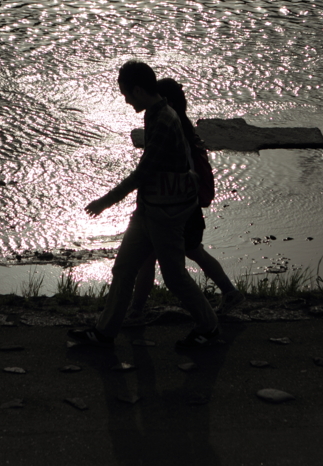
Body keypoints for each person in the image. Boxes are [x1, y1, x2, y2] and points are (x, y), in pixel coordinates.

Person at [69, 61, 220, 348]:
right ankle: (104, 333)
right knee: (124, 270)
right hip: (150, 210)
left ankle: (209, 326)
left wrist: (105, 201)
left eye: (126, 93)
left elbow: (143, 172)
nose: (125, 99)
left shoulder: (163, 121)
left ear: (138, 90)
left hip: (166, 213)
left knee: (174, 278)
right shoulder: (155, 113)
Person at [124, 78, 244, 324]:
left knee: (172, 256)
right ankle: (229, 293)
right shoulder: (181, 126)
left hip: (177, 206)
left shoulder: (169, 126)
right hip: (181, 204)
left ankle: (137, 310)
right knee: (187, 252)